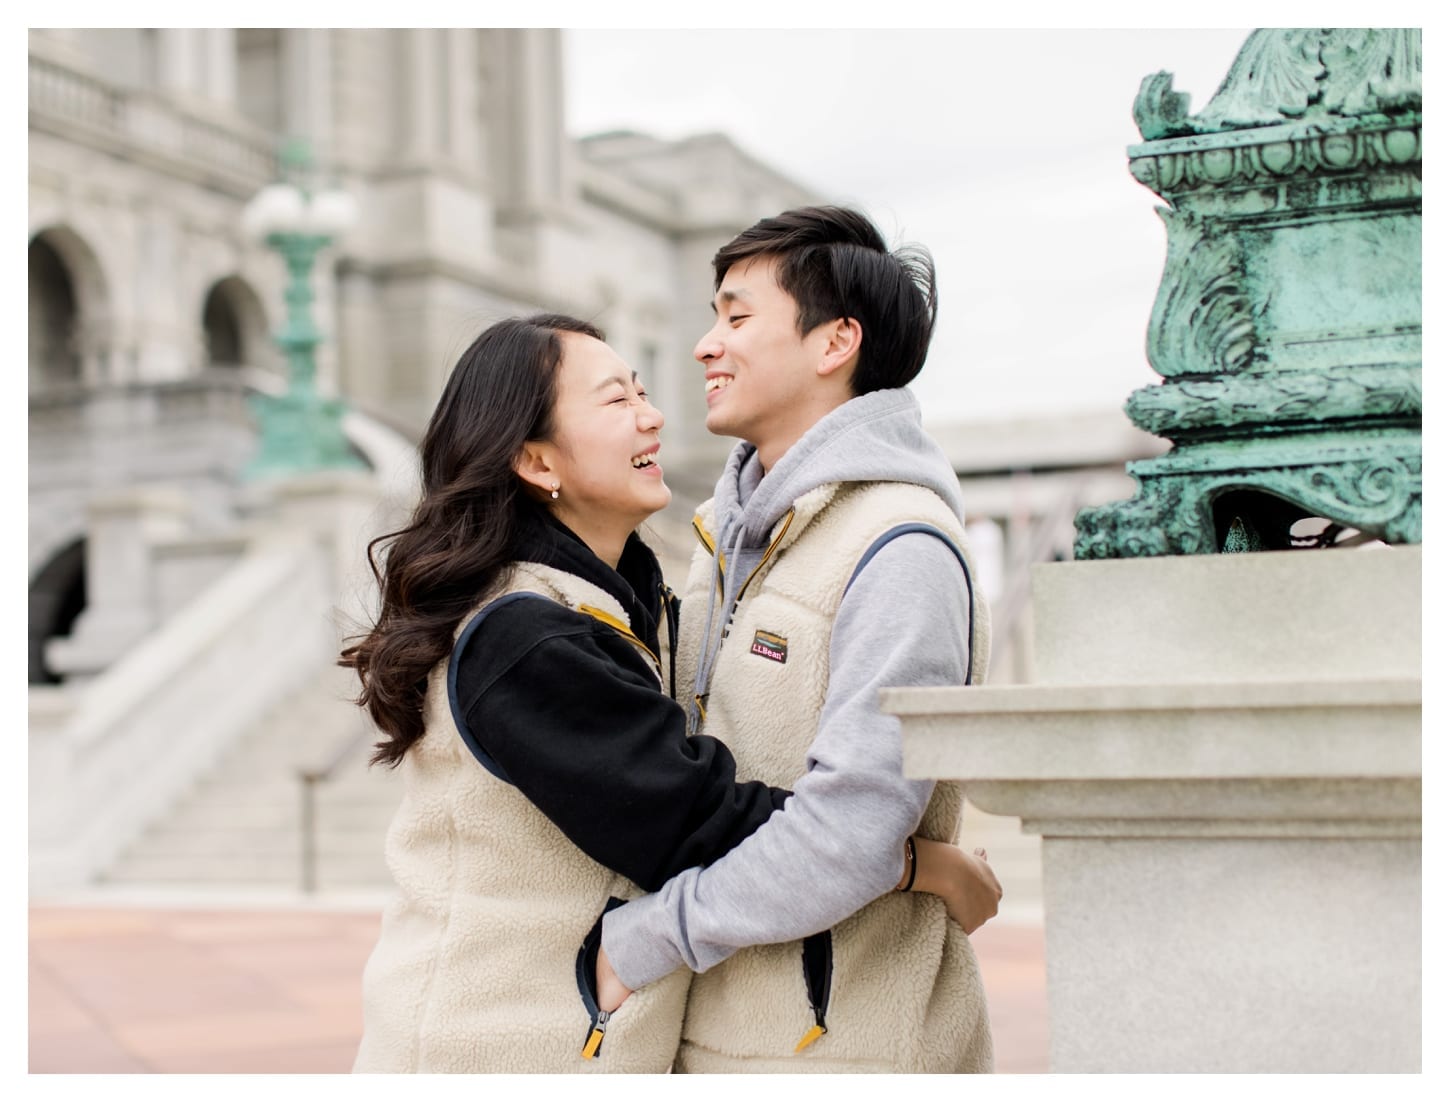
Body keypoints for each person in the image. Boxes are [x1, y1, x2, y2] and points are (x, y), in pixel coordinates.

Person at [341, 313, 989, 1073]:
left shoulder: (621, 602)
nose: (652, 414)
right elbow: (695, 819)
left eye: (643, 391)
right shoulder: (524, 636)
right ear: (535, 459)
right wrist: (918, 863)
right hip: (491, 1049)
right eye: (616, 401)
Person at [594, 206, 1000, 1073]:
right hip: (715, 1033)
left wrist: (653, 936)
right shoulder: (722, 535)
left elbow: (852, 825)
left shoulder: (901, 545)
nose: (706, 345)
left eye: (737, 317)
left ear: (834, 344)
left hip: (842, 1048)